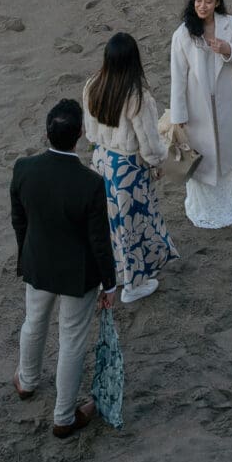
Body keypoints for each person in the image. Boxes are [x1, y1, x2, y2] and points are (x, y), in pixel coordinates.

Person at [11, 97, 117, 438]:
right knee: (71, 340)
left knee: (34, 322)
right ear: (80, 135)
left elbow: (19, 221)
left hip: (38, 263)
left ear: (47, 133)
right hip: (77, 274)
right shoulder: (90, 183)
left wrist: (25, 255)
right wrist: (109, 285)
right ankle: (63, 416)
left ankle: (26, 382)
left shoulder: (24, 169)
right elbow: (100, 241)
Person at [82, 31, 177, 304]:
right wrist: (160, 162)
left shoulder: (92, 85)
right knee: (132, 226)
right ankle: (134, 285)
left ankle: (116, 274)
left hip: (101, 160)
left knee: (109, 223)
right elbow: (149, 145)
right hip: (127, 168)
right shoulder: (138, 96)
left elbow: (90, 132)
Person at [169, 0, 232, 229]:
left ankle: (228, 206)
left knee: (224, 151)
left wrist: (228, 49)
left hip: (224, 101)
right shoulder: (183, 33)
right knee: (201, 155)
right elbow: (178, 76)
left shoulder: (229, 24)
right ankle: (203, 209)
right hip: (197, 107)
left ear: (217, 3)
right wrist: (179, 114)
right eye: (198, 1)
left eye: (208, 1)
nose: (202, 6)